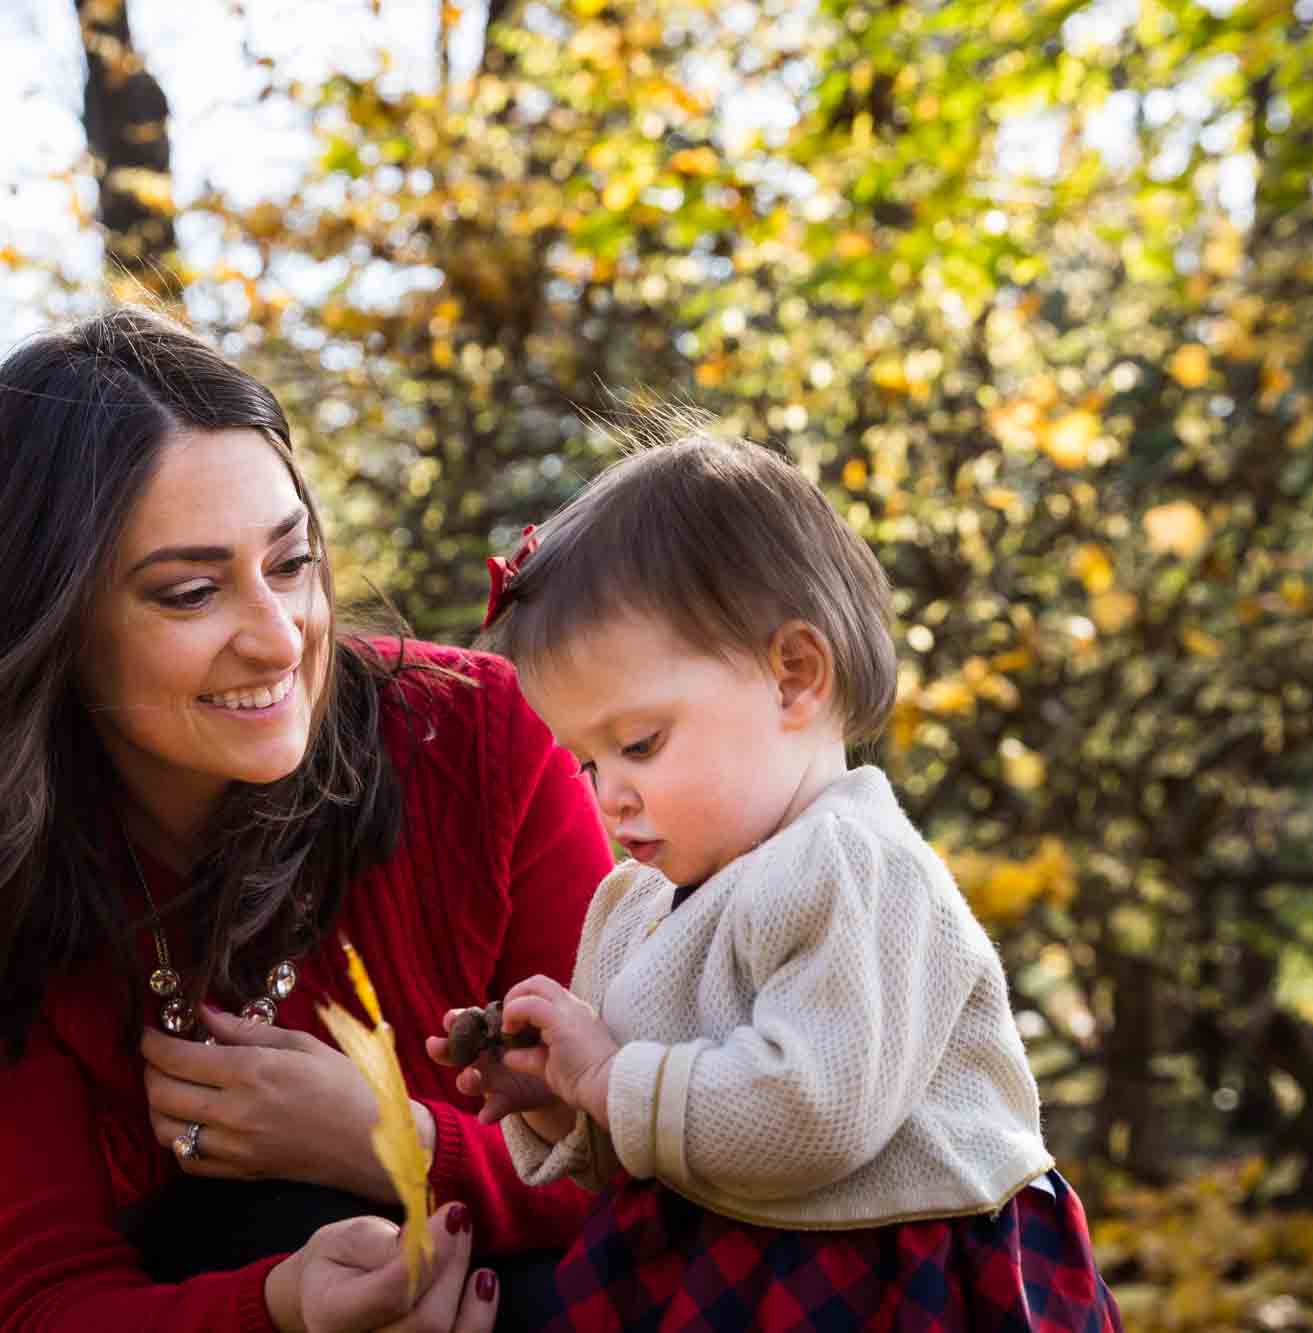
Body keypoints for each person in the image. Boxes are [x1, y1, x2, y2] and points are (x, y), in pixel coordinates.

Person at [0, 306, 616, 1331]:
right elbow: (42, 1302)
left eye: (290, 564)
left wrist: (398, 1141)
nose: (279, 636)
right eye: (191, 592)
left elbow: (657, 1161)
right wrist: (286, 1305)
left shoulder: (478, 739)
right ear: (51, 627)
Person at [432, 429, 1123, 1330]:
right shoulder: (641, 901)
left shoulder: (850, 864)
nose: (611, 794)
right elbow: (686, 1130)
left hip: (886, 1276)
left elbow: (810, 1114)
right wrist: (570, 1105)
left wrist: (609, 1075)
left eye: (639, 743)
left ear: (794, 676)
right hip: (725, 1261)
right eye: (588, 762)